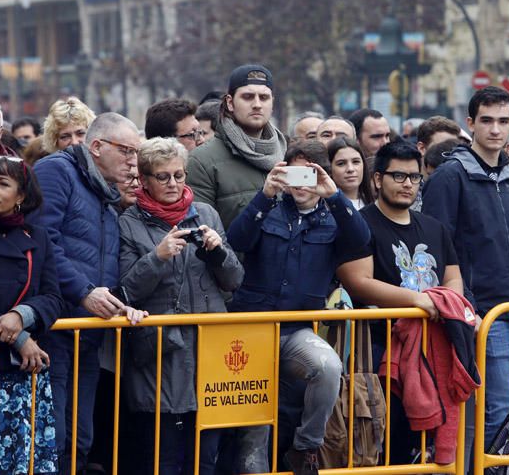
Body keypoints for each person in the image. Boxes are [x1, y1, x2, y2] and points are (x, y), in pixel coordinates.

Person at [421, 86, 509, 448]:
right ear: (470, 123)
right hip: (484, 311)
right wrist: (467, 307)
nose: (496, 129)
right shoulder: (449, 177)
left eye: (504, 121)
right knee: (500, 408)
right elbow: (441, 250)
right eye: (487, 121)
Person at [227, 140, 369, 475]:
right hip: (251, 329)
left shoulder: (334, 217)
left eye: (309, 175)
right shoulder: (268, 208)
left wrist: (334, 195)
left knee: (329, 368)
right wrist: (265, 194)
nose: (301, 184)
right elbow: (237, 242)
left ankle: (305, 448)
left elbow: (361, 240)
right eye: (295, 173)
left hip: (296, 330)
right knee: (254, 430)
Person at [119, 137, 244, 475]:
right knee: (165, 457)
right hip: (163, 352)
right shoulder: (130, 221)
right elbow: (127, 290)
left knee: (206, 457)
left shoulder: (205, 213)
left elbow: (233, 280)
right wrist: (157, 257)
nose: (173, 184)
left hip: (210, 350)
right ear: (144, 180)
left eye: (179, 175)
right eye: (163, 177)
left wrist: (218, 251)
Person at [33, 112, 147, 473]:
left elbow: (104, 259)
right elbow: (43, 241)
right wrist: (83, 292)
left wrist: (122, 304)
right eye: (127, 151)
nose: (133, 162)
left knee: (81, 435)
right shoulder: (56, 171)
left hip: (88, 330)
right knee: (52, 432)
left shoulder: (106, 192)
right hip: (54, 326)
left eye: (136, 154)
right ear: (96, 146)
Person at [336, 141, 464, 463]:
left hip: (435, 349)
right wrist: (415, 300)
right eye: (398, 176)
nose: (408, 184)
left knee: (427, 450)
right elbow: (357, 280)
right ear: (378, 179)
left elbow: (453, 276)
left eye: (414, 177)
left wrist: (447, 302)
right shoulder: (360, 223)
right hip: (380, 352)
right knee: (388, 446)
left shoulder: (434, 226)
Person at [0, 157, 67, 475]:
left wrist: (23, 316)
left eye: (2, 184)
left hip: (22, 377)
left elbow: (53, 297)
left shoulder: (37, 237)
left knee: (24, 461)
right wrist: (19, 338)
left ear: (22, 196)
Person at [187, 64, 286, 231]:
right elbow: (202, 233)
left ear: (272, 103)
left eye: (264, 97)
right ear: (230, 103)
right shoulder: (202, 161)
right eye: (247, 97)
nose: (257, 104)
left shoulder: (289, 152)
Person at [327, 137, 373, 209]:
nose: (350, 169)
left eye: (356, 162)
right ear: (330, 169)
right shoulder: (323, 208)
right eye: (341, 163)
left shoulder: (376, 203)